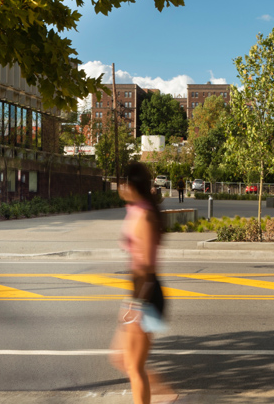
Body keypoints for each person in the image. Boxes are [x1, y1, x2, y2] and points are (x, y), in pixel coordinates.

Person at [111, 162, 174, 404]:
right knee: (122, 360)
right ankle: (165, 392)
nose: (120, 186)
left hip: (146, 295)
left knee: (134, 367)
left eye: (123, 182)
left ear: (133, 185)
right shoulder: (137, 209)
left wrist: (135, 305)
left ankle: (162, 394)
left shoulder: (146, 214)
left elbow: (146, 266)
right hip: (137, 293)